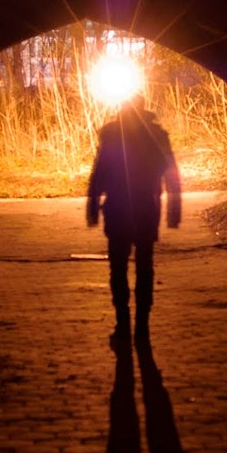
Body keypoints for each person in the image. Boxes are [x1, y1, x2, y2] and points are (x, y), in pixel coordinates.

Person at [86, 93, 182, 341]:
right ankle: (142, 324)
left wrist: (93, 206)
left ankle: (122, 322)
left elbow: (100, 172)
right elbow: (171, 174)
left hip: (117, 207)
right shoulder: (156, 135)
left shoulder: (111, 136)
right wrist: (174, 210)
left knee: (118, 267)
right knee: (144, 265)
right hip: (146, 207)